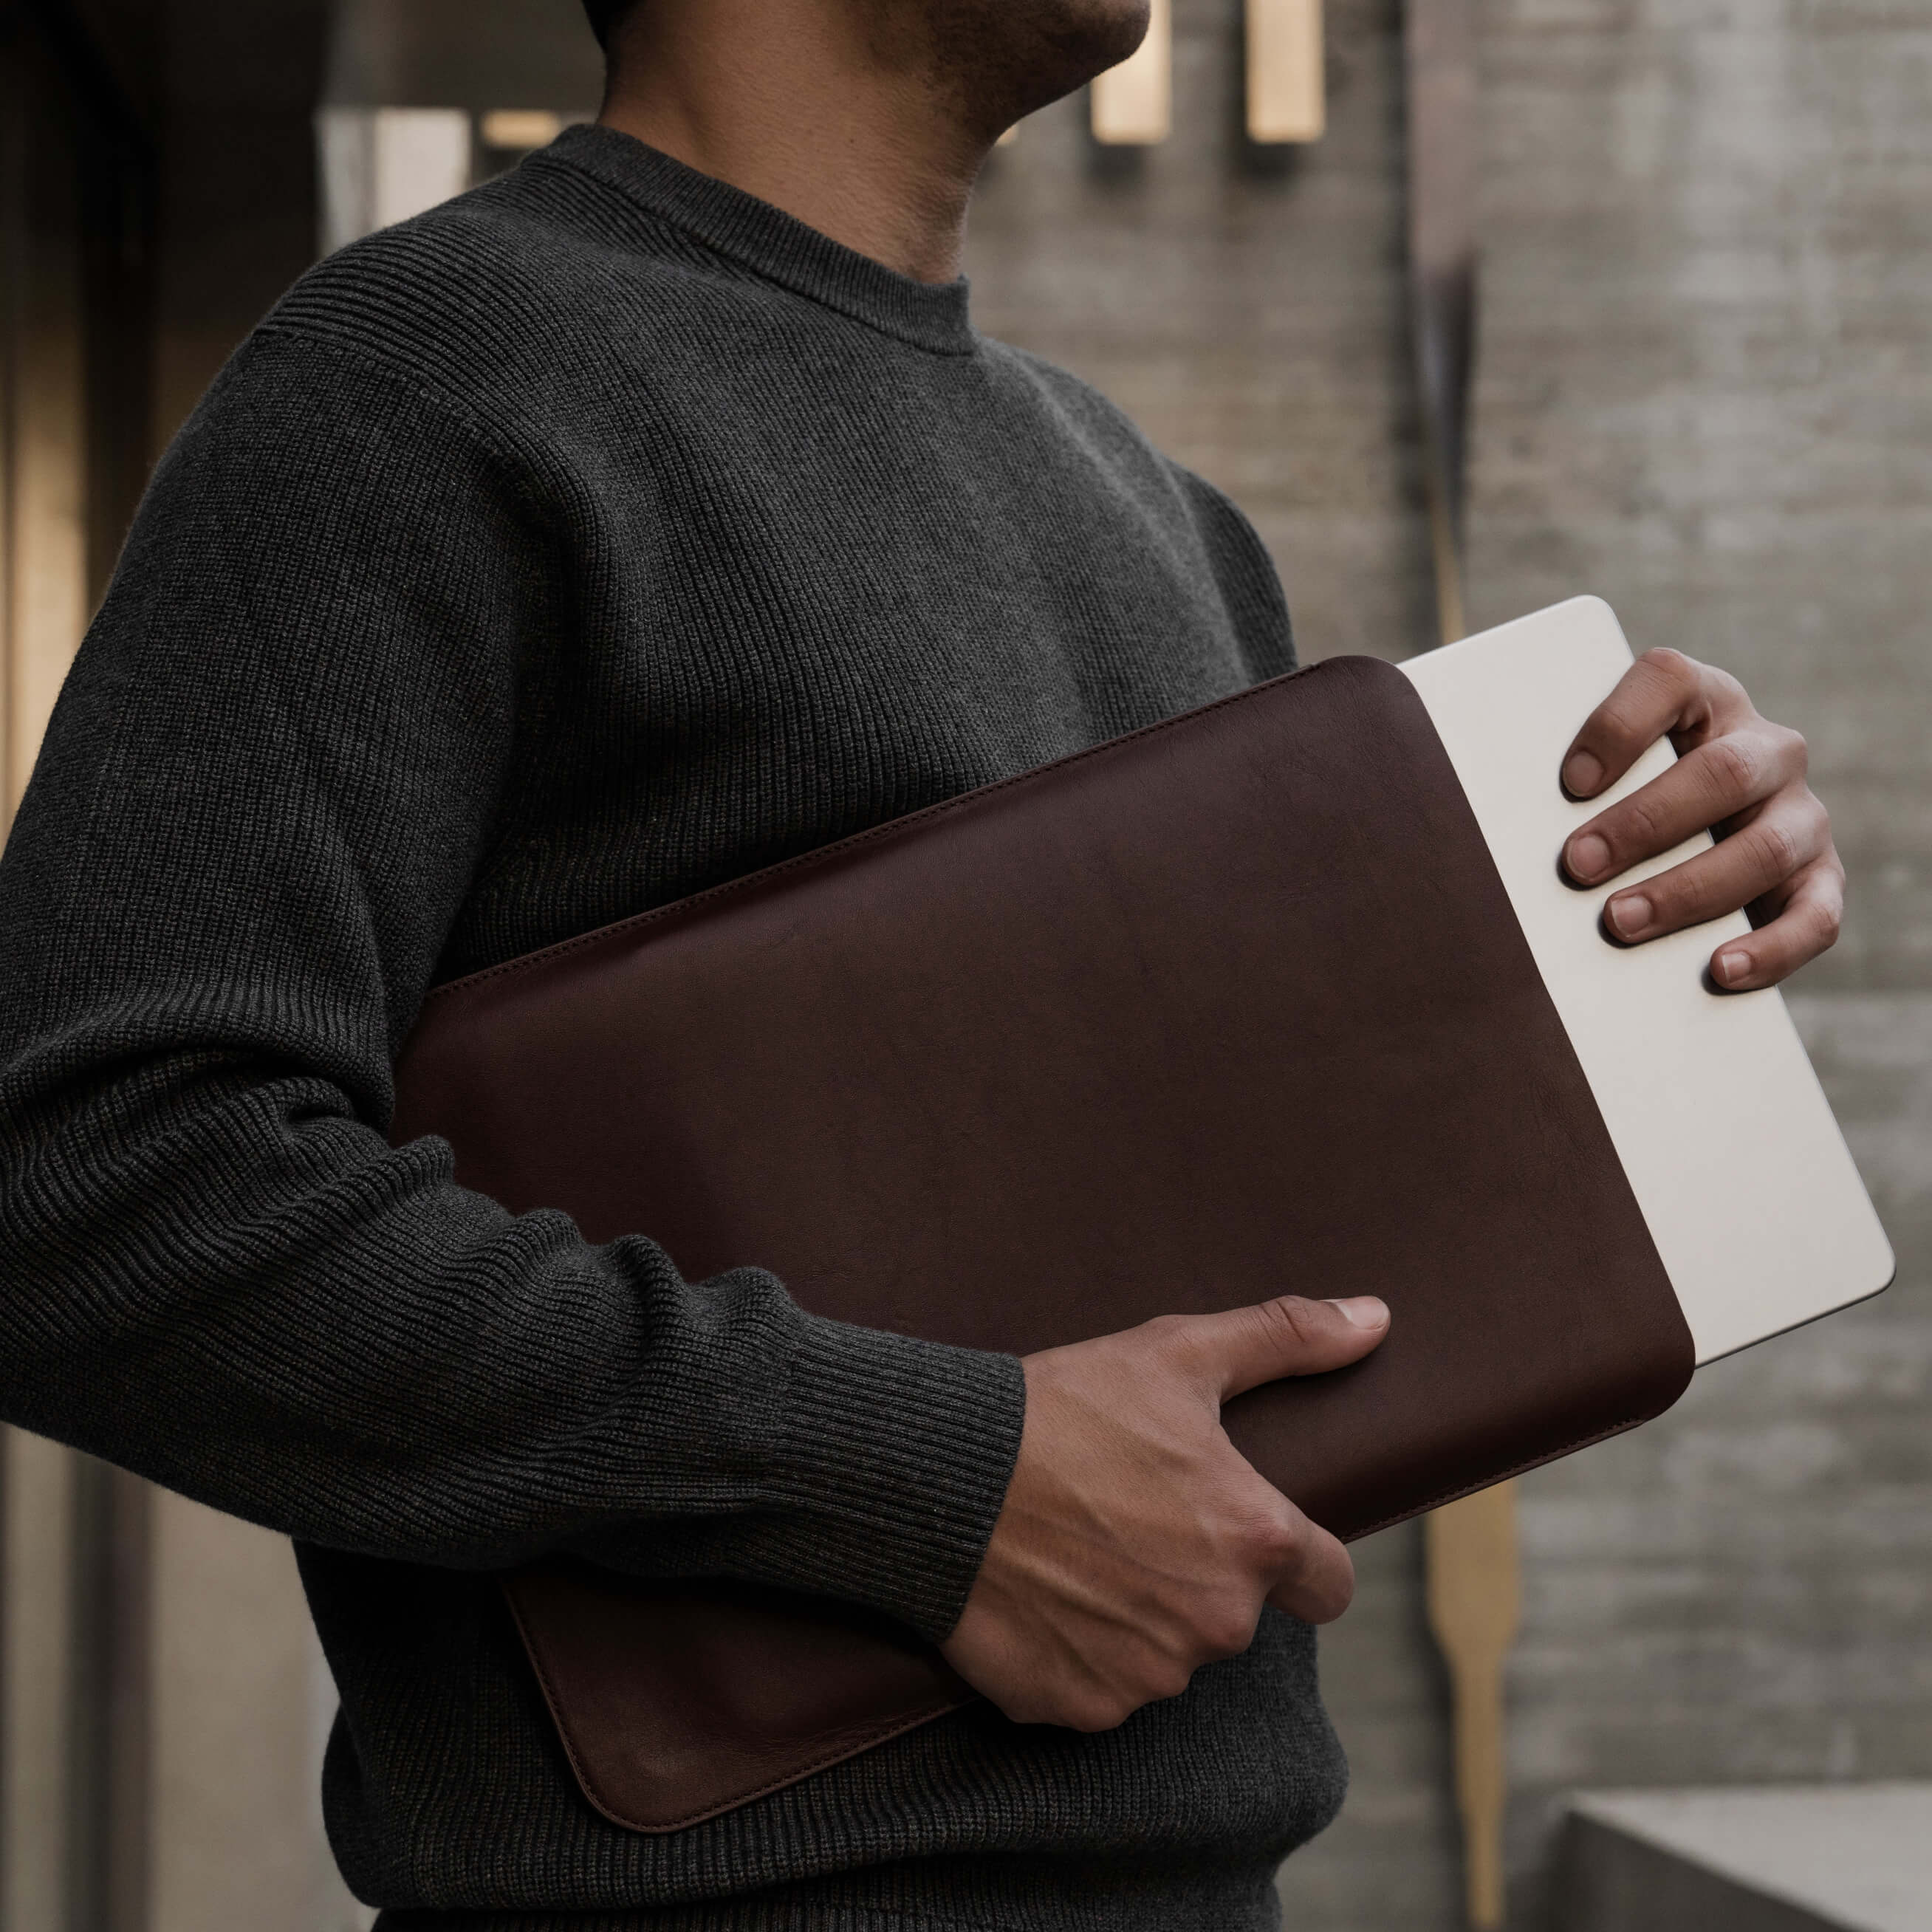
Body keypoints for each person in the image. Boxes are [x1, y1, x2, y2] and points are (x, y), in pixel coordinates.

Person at [0, 1, 1844, 1926]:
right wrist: (930, 1481)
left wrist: (1646, 899)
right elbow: (88, 1181)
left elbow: (1250, 1262)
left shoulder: (1162, 514)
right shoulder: (415, 379)